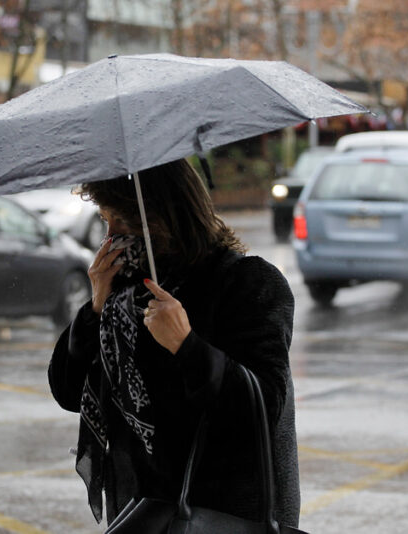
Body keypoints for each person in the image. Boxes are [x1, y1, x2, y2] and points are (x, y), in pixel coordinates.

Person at [48, 158, 300, 529]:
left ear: (165, 218)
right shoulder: (125, 293)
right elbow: (68, 392)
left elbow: (262, 407)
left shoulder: (247, 283)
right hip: (141, 511)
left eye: (124, 222)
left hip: (222, 514)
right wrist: (96, 308)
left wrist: (186, 345)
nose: (110, 237)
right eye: (106, 220)